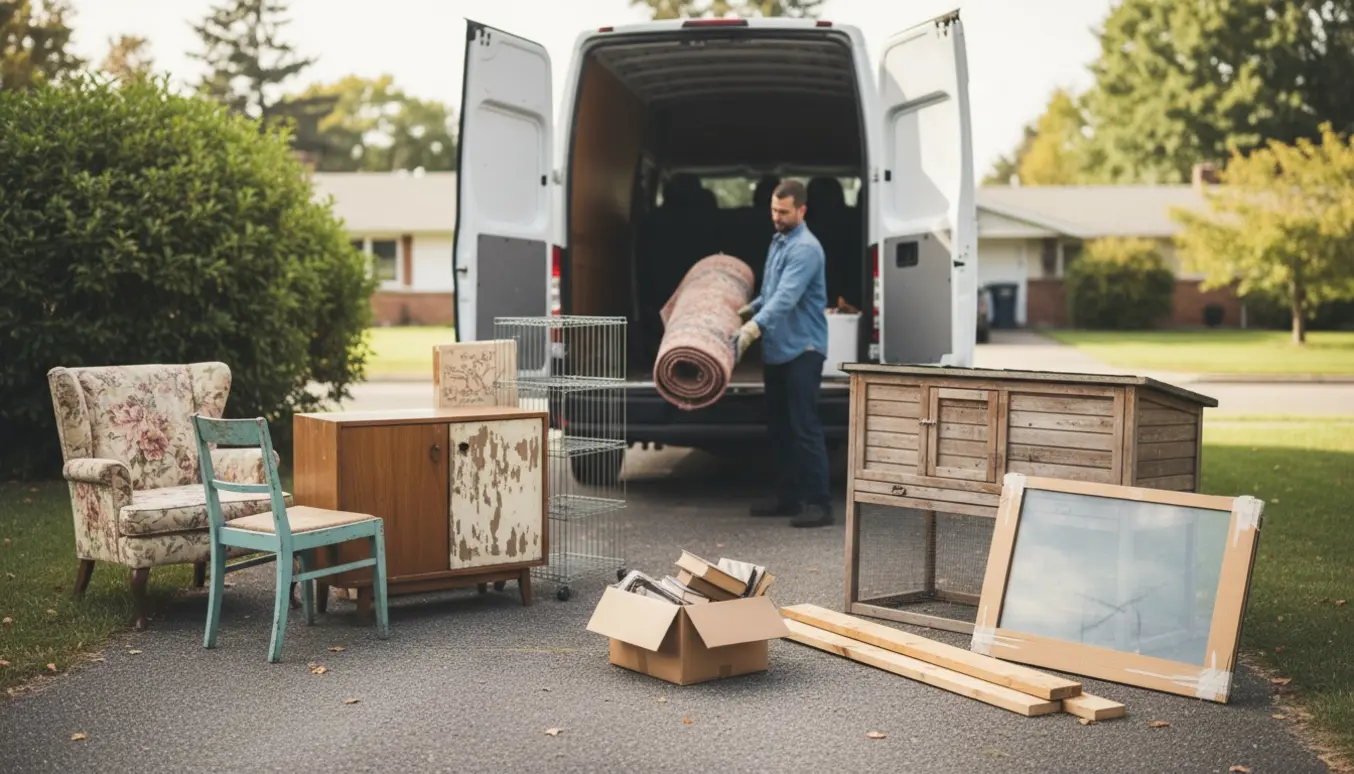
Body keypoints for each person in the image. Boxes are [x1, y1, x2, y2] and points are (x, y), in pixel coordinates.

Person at [733, 180, 833, 529]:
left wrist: (753, 327)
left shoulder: (805, 248)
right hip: (779, 350)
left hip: (802, 350)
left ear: (801, 210)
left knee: (804, 427)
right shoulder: (780, 241)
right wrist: (749, 308)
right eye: (774, 210)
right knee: (780, 428)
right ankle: (787, 497)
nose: (776, 217)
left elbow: (787, 297)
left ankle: (819, 503)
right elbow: (770, 293)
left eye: (784, 212)